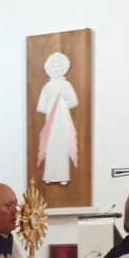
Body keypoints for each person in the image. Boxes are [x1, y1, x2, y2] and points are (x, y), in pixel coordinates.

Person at [37, 52, 79, 185]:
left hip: (63, 120)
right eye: (53, 67)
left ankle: (63, 176)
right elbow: (41, 106)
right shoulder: (47, 87)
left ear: (63, 69)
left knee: (62, 146)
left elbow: (74, 102)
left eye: (58, 67)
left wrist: (64, 101)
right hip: (51, 121)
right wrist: (51, 106)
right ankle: (49, 175)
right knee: (50, 147)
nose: (56, 70)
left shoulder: (67, 85)